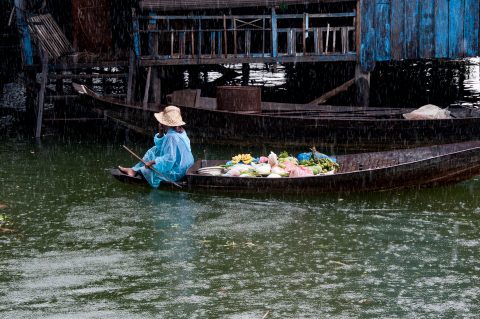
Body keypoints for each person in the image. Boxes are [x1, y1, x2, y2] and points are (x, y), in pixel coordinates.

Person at [118, 106, 194, 188]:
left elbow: (169, 159)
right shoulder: (181, 131)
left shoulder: (171, 136)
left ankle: (136, 171)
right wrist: (161, 133)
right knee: (154, 151)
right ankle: (133, 170)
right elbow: (163, 147)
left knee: (148, 171)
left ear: (165, 123)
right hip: (186, 166)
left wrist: (151, 162)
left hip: (178, 170)